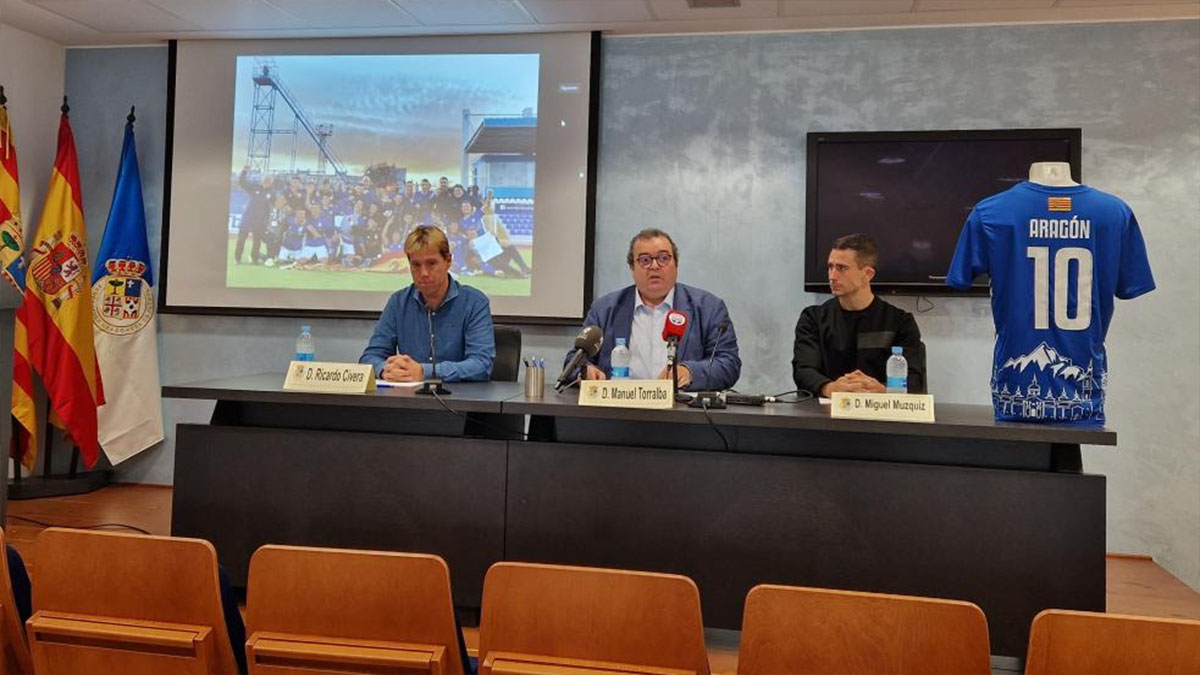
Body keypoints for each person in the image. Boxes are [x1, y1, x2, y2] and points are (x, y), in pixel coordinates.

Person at [569, 228, 740, 391]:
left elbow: (728, 364)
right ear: (632, 268)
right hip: (619, 412)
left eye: (664, 258)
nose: (654, 266)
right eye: (645, 260)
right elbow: (574, 360)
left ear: (676, 265)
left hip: (681, 414)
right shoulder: (604, 309)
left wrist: (689, 372)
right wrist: (586, 371)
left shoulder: (708, 308)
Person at [792, 233, 927, 397]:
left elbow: (915, 379)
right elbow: (804, 371)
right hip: (826, 416)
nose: (832, 276)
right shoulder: (813, 318)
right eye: (830, 267)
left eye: (842, 268)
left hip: (881, 415)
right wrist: (831, 388)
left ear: (867, 274)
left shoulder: (900, 322)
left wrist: (882, 390)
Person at [360, 225, 495, 383]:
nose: (423, 273)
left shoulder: (474, 302)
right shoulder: (398, 302)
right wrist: (385, 370)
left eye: (431, 263)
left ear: (448, 261)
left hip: (458, 402)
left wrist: (424, 372)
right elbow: (370, 357)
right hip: (408, 401)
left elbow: (481, 365)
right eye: (416, 265)